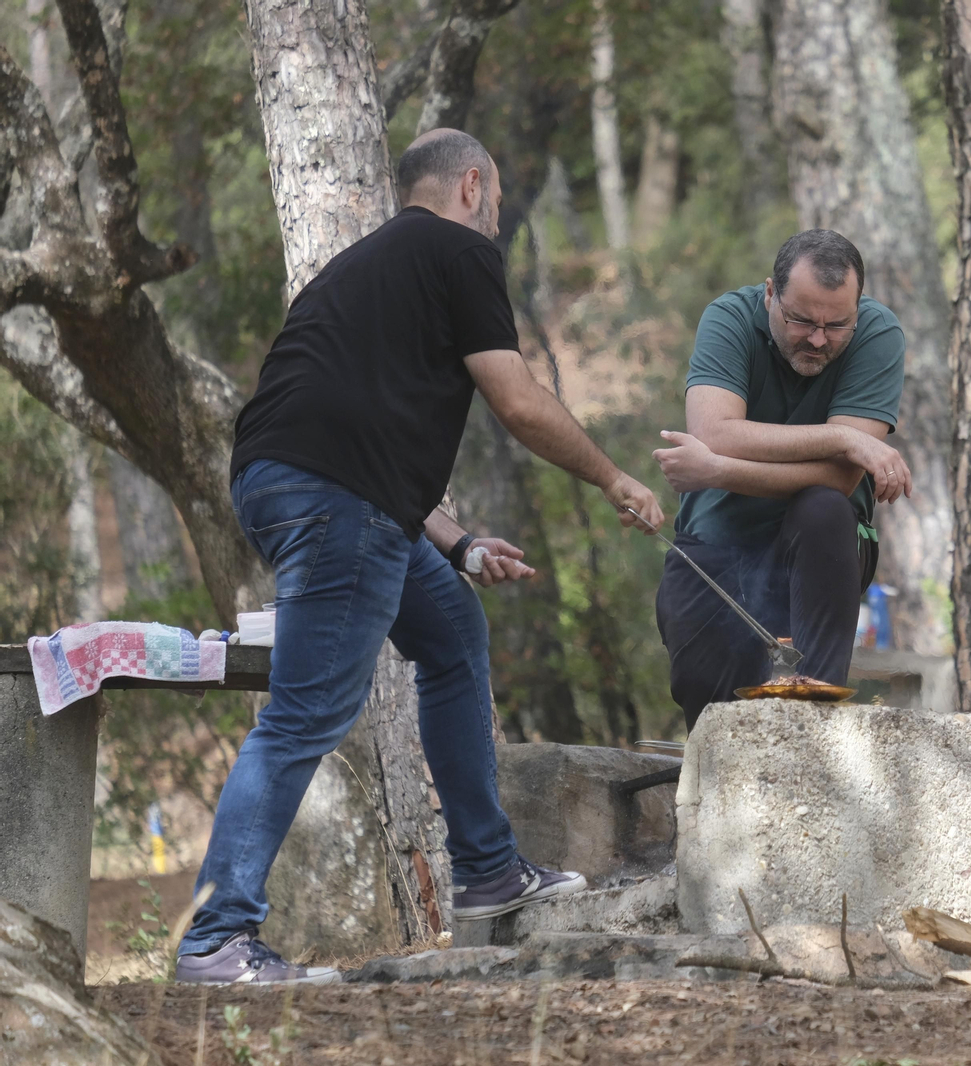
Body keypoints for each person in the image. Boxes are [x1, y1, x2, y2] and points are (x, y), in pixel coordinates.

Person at [175, 129, 665, 985]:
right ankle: (216, 939)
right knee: (306, 716)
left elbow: (356, 420)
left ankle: (487, 872)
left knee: (449, 632)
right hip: (338, 500)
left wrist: (460, 541)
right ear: (472, 185)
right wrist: (611, 477)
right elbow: (516, 400)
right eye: (501, 201)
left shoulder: (358, 267)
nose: (497, 217)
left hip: (278, 485)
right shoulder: (458, 251)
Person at [652, 230, 911, 729]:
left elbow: (837, 481)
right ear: (771, 293)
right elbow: (715, 430)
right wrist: (845, 439)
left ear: (858, 308)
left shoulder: (878, 333)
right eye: (801, 320)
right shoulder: (728, 317)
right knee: (712, 711)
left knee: (824, 507)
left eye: (837, 325)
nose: (818, 339)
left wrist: (719, 470)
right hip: (716, 540)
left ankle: (813, 727)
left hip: (821, 551)